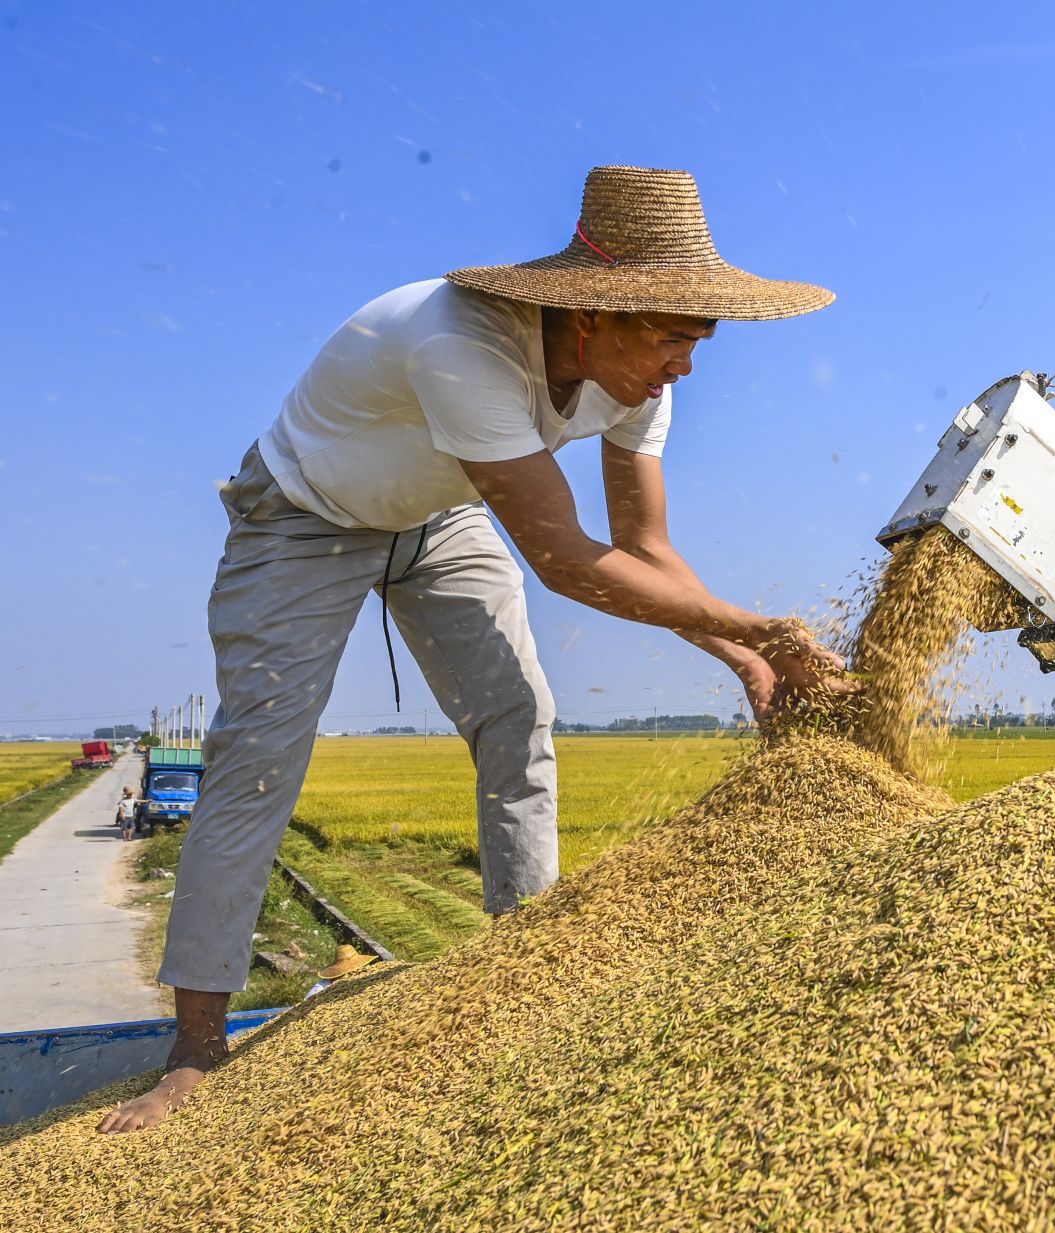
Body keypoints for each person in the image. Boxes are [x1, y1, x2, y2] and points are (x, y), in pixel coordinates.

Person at [98, 166, 854, 1134]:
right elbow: (565, 560)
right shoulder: (462, 343)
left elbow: (646, 550)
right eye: (671, 336)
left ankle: (519, 977)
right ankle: (196, 1052)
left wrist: (744, 660)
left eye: (698, 338)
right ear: (593, 316)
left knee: (517, 716)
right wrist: (770, 629)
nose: (686, 365)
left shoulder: (638, 383)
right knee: (258, 758)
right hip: (305, 515)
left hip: (443, 512)